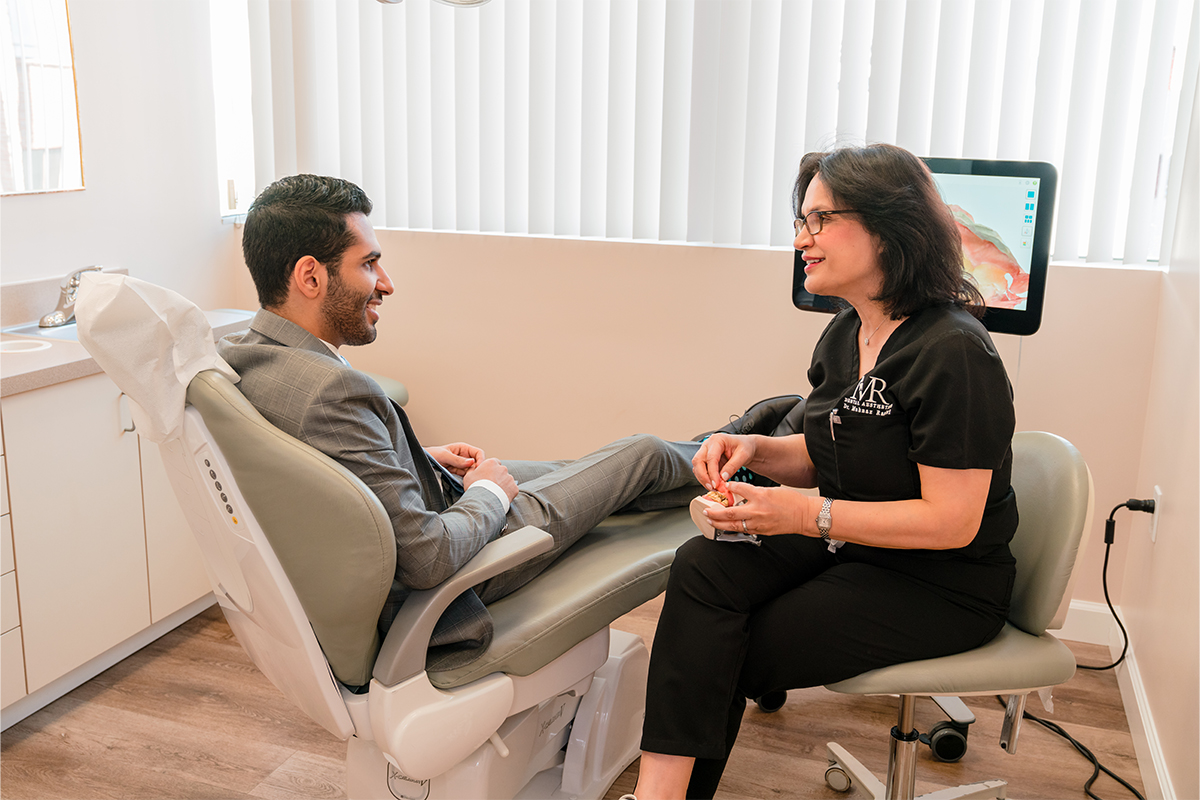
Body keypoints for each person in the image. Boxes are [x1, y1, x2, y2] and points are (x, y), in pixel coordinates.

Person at [626, 143, 1018, 800]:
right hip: (848, 544)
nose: (802, 240)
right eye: (801, 221)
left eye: (820, 220)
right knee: (702, 568)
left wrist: (805, 516)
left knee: (729, 647)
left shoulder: (954, 353)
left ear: (890, 229)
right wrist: (751, 448)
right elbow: (827, 455)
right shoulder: (845, 334)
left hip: (940, 582)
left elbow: (951, 521)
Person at [218, 174, 701, 674]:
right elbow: (426, 558)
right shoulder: (329, 391)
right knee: (639, 454)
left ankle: (718, 455)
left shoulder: (242, 359)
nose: (386, 283)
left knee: (589, 469)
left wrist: (414, 459)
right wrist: (488, 495)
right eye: (368, 263)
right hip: (454, 568)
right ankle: (737, 454)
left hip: (414, 514)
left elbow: (312, 473)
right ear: (310, 276)